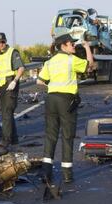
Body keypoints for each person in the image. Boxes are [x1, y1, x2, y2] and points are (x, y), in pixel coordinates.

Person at [37, 34, 94, 183]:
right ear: (63, 45)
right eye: (72, 44)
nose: (74, 46)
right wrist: (87, 47)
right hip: (66, 101)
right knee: (67, 136)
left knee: (50, 136)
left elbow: (39, 81)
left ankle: (46, 173)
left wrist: (52, 87)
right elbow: (90, 66)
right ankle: (67, 174)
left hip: (51, 100)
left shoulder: (50, 61)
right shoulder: (71, 60)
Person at [0, 32, 25, 155]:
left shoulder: (12, 52)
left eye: (3, 42)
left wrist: (15, 81)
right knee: (5, 112)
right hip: (3, 85)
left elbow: (21, 68)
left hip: (11, 84)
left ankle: (6, 140)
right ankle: (14, 139)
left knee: (7, 112)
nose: (1, 44)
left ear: (5, 41)